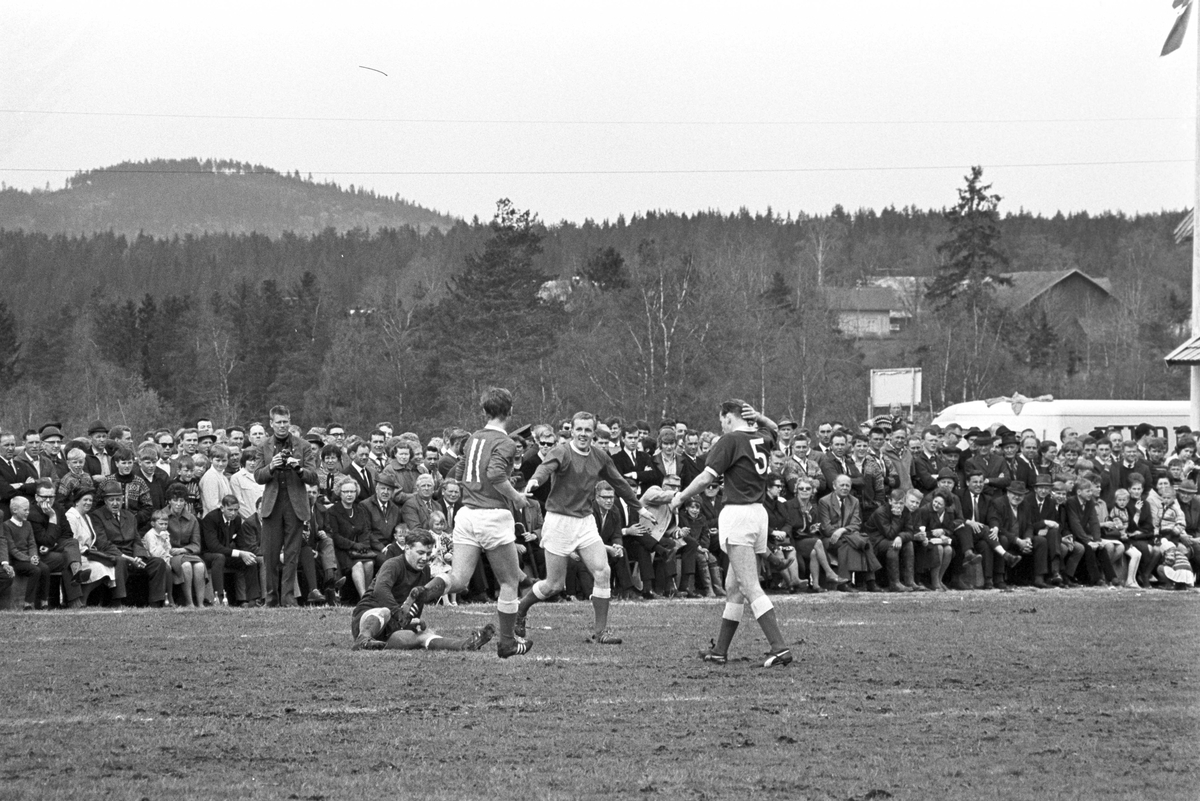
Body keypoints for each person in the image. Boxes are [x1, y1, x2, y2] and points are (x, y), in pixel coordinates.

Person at [670, 400, 793, 668]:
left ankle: (780, 647)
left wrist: (679, 497)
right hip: (759, 513)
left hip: (739, 514)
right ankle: (720, 651)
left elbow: (705, 478)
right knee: (733, 588)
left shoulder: (729, 441)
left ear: (727, 417)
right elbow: (775, 430)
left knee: (749, 586)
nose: (721, 425)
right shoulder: (761, 435)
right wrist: (760, 415)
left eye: (721, 419)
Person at [520, 411, 647, 646]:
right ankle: (522, 608)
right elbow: (546, 468)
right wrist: (534, 480)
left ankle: (601, 632)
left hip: (585, 522)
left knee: (603, 571)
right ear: (572, 431)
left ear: (594, 432)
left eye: (588, 430)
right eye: (579, 429)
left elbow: (619, 482)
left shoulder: (599, 456)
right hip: (559, 521)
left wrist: (639, 507)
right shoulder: (562, 451)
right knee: (553, 585)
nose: (583, 434)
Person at [350, 529, 494, 652]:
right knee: (384, 612)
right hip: (368, 619)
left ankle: (465, 645)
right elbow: (380, 590)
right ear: (407, 548)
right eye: (420, 552)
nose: (424, 558)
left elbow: (416, 603)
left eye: (428, 553)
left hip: (392, 627)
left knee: (424, 635)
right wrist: (397, 613)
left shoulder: (425, 571)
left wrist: (413, 622)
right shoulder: (393, 564)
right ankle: (363, 639)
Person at [254, 405, 318, 607]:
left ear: (290, 421)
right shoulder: (263, 446)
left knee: (292, 554)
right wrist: (272, 465)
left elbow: (314, 476)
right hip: (272, 504)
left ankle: (288, 597)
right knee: (270, 555)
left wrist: (297, 467)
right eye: (278, 422)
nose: (282, 426)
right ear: (271, 423)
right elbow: (258, 476)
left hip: (295, 504)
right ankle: (271, 598)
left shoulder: (304, 445)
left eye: (285, 421)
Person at [201, 493, 262, 606]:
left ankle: (253, 600)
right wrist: (240, 553)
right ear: (222, 508)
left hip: (225, 554)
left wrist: (246, 553)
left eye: (236, 510)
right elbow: (213, 546)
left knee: (250, 560)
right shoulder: (211, 518)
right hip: (207, 554)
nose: (233, 513)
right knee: (219, 557)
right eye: (230, 510)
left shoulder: (237, 520)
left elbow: (240, 542)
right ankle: (219, 598)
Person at [163, 486, 207, 607]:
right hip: (169, 554)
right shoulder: (162, 516)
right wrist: (171, 550)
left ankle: (201, 603)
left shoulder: (192, 519)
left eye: (181, 500)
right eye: (175, 500)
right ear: (169, 501)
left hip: (187, 553)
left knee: (199, 566)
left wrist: (183, 549)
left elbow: (196, 545)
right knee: (186, 566)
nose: (178, 504)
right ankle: (189, 602)